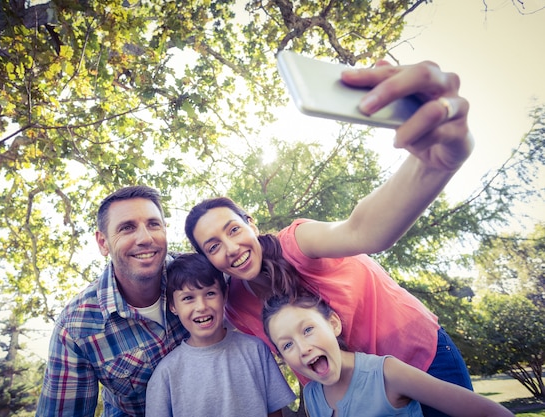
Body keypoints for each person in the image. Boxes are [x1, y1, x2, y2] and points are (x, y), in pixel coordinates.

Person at [184, 60, 476, 417]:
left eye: (233, 230)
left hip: (420, 357)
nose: (231, 248)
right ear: (206, 259)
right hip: (352, 396)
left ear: (250, 223)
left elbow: (362, 230)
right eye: (213, 246)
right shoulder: (235, 305)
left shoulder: (297, 242)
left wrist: (434, 165)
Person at [36, 185, 189, 417]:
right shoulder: (77, 327)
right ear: (103, 243)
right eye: (127, 228)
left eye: (153, 224)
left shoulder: (203, 276)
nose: (145, 238)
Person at [262, 293, 514, 417]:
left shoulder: (386, 373)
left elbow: (487, 412)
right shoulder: (312, 397)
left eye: (308, 329)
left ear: (334, 324)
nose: (303, 348)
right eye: (287, 345)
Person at [145, 253, 295, 417]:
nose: (201, 307)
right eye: (188, 298)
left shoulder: (256, 350)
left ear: (224, 295)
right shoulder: (165, 374)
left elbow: (275, 412)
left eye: (210, 294)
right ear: (173, 306)